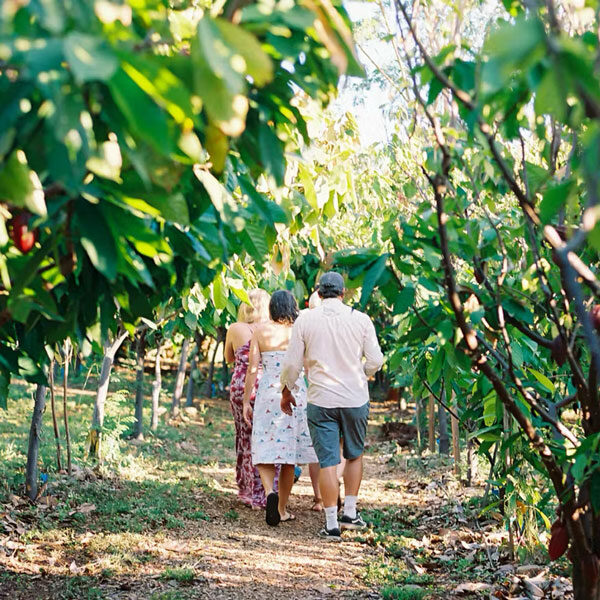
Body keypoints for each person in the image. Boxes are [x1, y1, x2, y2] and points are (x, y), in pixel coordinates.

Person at [280, 271, 384, 539]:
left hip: (321, 399)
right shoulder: (361, 320)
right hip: (354, 397)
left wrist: (287, 391)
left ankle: (331, 524)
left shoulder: (305, 320)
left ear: (318, 292)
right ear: (343, 293)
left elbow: (292, 363)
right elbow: (376, 360)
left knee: (327, 461)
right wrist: (361, 373)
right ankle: (350, 512)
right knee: (354, 454)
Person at [243, 290, 317, 527]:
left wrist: (246, 400)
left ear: (272, 309)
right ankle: (282, 509)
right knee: (289, 454)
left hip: (268, 393)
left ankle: (269, 493)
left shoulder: (260, 331)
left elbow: (252, 369)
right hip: (295, 392)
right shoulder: (300, 331)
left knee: (264, 445)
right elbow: (307, 366)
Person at [224, 288, 271, 509]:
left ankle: (247, 490)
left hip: (241, 387)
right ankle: (268, 489)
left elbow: (228, 358)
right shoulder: (272, 330)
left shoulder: (235, 329)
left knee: (244, 437)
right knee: (267, 439)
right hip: (266, 388)